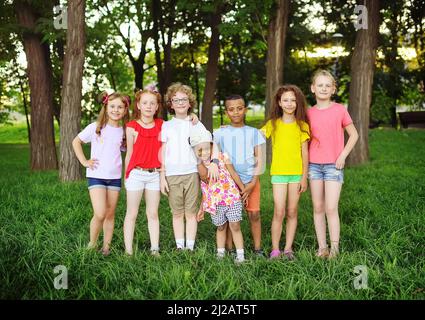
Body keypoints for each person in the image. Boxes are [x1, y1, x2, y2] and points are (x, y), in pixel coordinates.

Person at [160, 83, 218, 251]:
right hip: (172, 174)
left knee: (190, 213)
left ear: (189, 102)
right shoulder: (166, 126)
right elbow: (162, 152)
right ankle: (180, 246)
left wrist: (211, 162)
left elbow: (208, 142)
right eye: (175, 100)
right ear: (170, 104)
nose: (180, 103)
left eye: (183, 99)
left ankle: (190, 247)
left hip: (192, 172)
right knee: (177, 213)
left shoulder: (195, 124)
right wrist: (162, 176)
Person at [307, 70, 358, 259]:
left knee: (330, 207)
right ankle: (322, 247)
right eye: (320, 85)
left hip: (333, 166)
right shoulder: (308, 113)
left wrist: (343, 155)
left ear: (333, 89)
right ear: (313, 88)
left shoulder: (339, 110)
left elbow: (354, 135)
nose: (323, 88)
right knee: (318, 207)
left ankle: (334, 249)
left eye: (327, 85)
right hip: (313, 166)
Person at [72, 91, 130, 256]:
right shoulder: (96, 127)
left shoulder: (125, 132)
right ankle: (92, 243)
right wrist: (84, 161)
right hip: (96, 175)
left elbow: (127, 149)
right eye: (112, 106)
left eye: (120, 107)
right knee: (100, 212)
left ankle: (106, 247)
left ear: (125, 110)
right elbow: (76, 141)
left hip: (114, 177)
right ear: (106, 107)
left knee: (110, 214)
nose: (116, 110)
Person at [212, 94, 266, 257]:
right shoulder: (219, 133)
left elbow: (260, 161)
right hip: (228, 183)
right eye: (231, 109)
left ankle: (257, 249)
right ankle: (229, 249)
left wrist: (252, 183)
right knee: (230, 217)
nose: (235, 112)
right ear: (226, 112)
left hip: (251, 180)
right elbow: (217, 156)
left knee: (254, 214)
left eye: (239, 108)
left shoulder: (254, 133)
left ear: (245, 110)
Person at [261, 85, 310, 260]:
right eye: (285, 100)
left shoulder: (302, 126)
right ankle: (275, 250)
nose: (289, 104)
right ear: (279, 103)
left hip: (296, 174)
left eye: (293, 100)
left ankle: (288, 249)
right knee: (279, 211)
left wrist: (304, 177)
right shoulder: (272, 124)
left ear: (298, 103)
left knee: (292, 211)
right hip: (279, 174)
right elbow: (255, 138)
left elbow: (305, 153)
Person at [190, 128, 246, 263]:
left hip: (231, 198)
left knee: (235, 226)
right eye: (200, 150)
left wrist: (243, 190)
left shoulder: (221, 157)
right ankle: (220, 254)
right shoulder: (199, 167)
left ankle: (240, 256)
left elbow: (233, 174)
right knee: (220, 227)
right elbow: (204, 189)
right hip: (214, 203)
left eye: (207, 148)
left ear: (212, 146)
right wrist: (202, 208)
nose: (205, 153)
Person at [123, 86, 163, 256]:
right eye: (145, 102)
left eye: (152, 103)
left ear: (156, 107)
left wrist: (193, 118)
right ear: (138, 105)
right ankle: (128, 251)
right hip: (136, 174)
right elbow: (129, 153)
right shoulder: (131, 127)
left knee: (152, 213)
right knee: (131, 213)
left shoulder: (162, 125)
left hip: (155, 174)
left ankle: (155, 249)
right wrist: (127, 175)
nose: (148, 106)